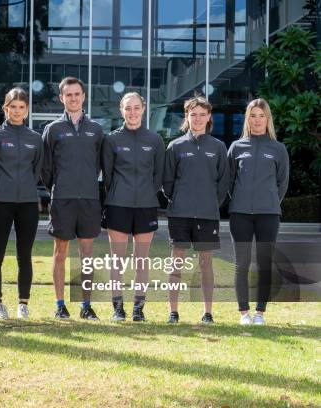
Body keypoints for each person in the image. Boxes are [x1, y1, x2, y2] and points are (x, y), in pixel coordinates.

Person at [162, 96, 229, 324]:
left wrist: (210, 203)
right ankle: (173, 311)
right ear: (187, 117)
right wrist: (180, 200)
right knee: (176, 263)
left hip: (207, 215)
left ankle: (207, 312)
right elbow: (167, 182)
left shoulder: (218, 147)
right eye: (193, 115)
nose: (198, 119)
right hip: (179, 214)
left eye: (202, 114)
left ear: (209, 117)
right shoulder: (175, 146)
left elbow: (223, 183)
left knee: (205, 264)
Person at [41, 77, 104, 320]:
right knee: (60, 253)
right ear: (62, 98)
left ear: (84, 96)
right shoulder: (53, 129)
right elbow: (46, 169)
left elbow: (99, 165)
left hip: (88, 199)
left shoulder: (96, 130)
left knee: (86, 255)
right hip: (63, 200)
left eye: (77, 94)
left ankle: (85, 305)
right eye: (69, 95)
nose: (73, 98)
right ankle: (59, 304)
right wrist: (60, 186)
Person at [101, 92, 164, 322]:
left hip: (146, 206)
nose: (133, 112)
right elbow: (107, 176)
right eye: (128, 108)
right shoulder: (112, 140)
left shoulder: (155, 140)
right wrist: (120, 193)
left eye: (136, 108)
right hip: (118, 205)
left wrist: (146, 193)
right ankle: (118, 307)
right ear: (121, 110)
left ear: (144, 109)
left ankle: (139, 308)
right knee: (117, 259)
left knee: (141, 259)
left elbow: (158, 176)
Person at [227, 98, 289, 325]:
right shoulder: (236, 147)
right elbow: (230, 181)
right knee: (241, 264)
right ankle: (244, 313)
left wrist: (270, 202)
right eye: (252, 115)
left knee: (265, 263)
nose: (257, 120)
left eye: (261, 115)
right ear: (247, 119)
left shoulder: (278, 149)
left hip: (269, 215)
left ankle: (260, 313)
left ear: (267, 119)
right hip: (240, 214)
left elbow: (282, 183)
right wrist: (241, 201)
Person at [0, 88, 43, 319]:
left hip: (27, 203)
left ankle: (23, 304)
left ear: (26, 110)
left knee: (24, 255)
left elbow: (37, 170)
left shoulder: (35, 139)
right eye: (12, 107)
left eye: (21, 107)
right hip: (0, 202)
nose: (17, 111)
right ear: (5, 109)